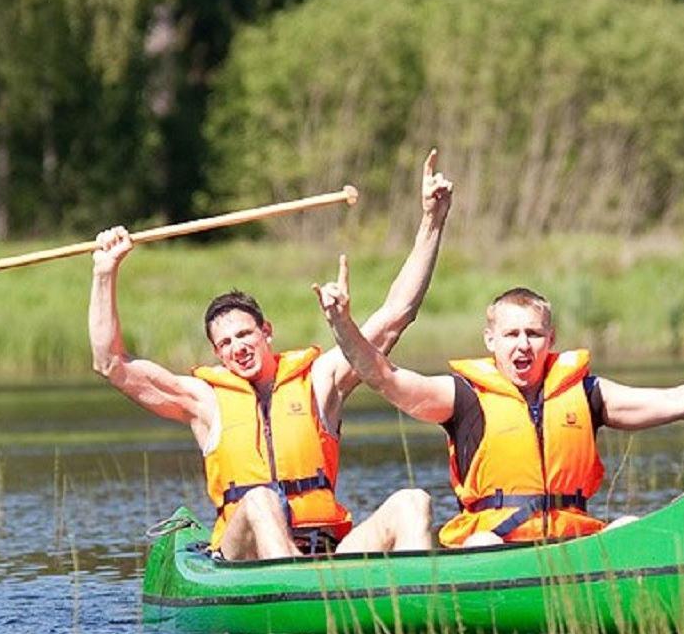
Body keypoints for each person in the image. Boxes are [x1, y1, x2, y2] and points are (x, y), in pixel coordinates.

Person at [90, 152, 455, 560]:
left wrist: (432, 221)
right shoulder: (204, 400)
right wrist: (105, 272)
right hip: (245, 554)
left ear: (267, 332)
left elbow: (396, 316)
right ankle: (296, 594)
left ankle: (414, 613)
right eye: (225, 343)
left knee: (413, 501)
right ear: (216, 353)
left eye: (245, 334)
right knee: (261, 499)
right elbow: (112, 363)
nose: (238, 347)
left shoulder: (319, 381)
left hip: (325, 550)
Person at [313, 272, 684, 547]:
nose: (523, 345)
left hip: (570, 544)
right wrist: (342, 325)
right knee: (481, 545)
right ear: (491, 342)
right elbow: (384, 376)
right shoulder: (461, 397)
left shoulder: (586, 393)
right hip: (493, 543)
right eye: (511, 334)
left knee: (629, 529)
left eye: (533, 334)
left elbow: (678, 402)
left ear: (551, 340)